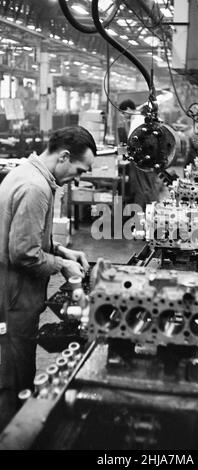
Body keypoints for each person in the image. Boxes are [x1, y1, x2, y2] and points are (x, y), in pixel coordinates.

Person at [0, 126, 96, 431]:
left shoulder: (28, 173)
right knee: (16, 372)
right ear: (64, 156)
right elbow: (24, 253)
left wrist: (63, 251)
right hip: (15, 291)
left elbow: (28, 237)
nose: (79, 179)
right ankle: (14, 431)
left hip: (12, 286)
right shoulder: (36, 188)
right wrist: (62, 267)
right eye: (80, 169)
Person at [118, 99, 159, 209]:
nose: (122, 116)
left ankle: (143, 212)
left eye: (123, 113)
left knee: (141, 187)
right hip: (144, 159)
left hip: (141, 160)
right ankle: (147, 211)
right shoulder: (138, 119)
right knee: (145, 187)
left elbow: (134, 143)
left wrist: (121, 152)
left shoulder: (137, 121)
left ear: (128, 109)